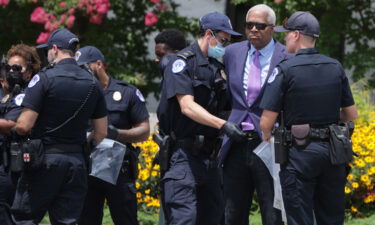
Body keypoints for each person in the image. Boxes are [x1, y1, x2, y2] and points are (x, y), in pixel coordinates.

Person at [259, 11, 358, 225]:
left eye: (286, 34)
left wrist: (268, 137)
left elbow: (266, 123)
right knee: (331, 218)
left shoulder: (285, 69)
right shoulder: (335, 67)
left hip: (299, 153)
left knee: (299, 218)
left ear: (296, 35)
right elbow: (351, 115)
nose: (284, 38)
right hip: (332, 152)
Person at [11, 28, 108, 225]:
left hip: (43, 160)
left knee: (25, 218)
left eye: (47, 50)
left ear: (54, 49)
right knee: (67, 221)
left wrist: (12, 128)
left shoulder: (45, 78)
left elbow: (24, 126)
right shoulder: (92, 83)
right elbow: (101, 133)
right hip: (76, 163)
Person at [157, 12, 245, 225]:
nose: (225, 46)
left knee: (214, 218)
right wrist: (223, 125)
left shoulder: (217, 68)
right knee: (184, 219)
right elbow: (187, 106)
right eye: (223, 40)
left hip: (210, 159)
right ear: (208, 34)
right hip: (184, 157)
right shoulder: (182, 63)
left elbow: (226, 107)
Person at [218, 4, 290, 225]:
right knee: (232, 212)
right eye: (249, 25)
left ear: (272, 28)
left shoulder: (286, 56)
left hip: (269, 142)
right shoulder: (232, 53)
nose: (253, 30)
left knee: (272, 212)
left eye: (260, 26)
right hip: (236, 140)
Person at [76, 45, 150, 225]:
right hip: (86, 167)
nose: (80, 73)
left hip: (118, 169)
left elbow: (144, 130)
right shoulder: (78, 93)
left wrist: (117, 134)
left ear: (98, 65)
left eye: (84, 67)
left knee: (126, 220)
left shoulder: (126, 92)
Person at [0, 44, 41, 225]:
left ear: (29, 72)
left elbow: (12, 125)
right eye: (9, 68)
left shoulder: (27, 96)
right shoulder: (6, 94)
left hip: (14, 166)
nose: (11, 71)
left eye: (17, 68)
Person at [154, 29, 187, 225]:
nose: (156, 60)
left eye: (160, 55)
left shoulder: (181, 75)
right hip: (168, 151)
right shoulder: (167, 77)